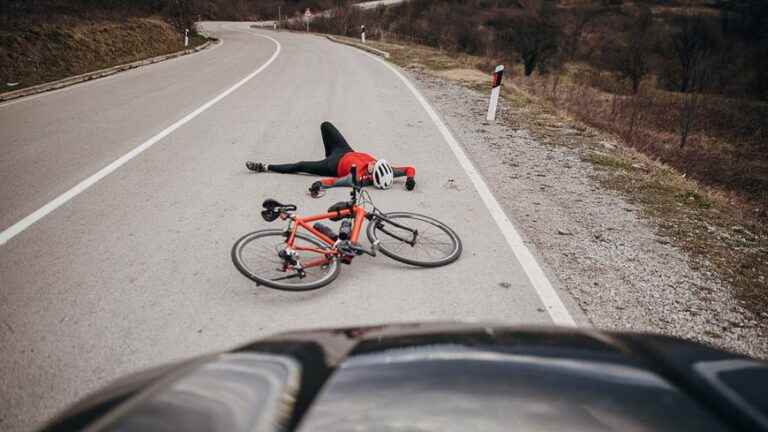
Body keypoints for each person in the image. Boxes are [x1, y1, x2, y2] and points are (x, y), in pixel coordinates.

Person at [246, 122, 416, 193]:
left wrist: (320, 184)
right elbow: (409, 168)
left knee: (301, 165)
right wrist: (410, 178)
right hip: (345, 150)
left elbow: (336, 182)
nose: (372, 164)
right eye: (375, 163)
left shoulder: (359, 178)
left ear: (371, 176)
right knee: (325, 125)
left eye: (372, 168)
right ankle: (328, 153)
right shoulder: (387, 171)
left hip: (332, 165)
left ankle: (265, 167)